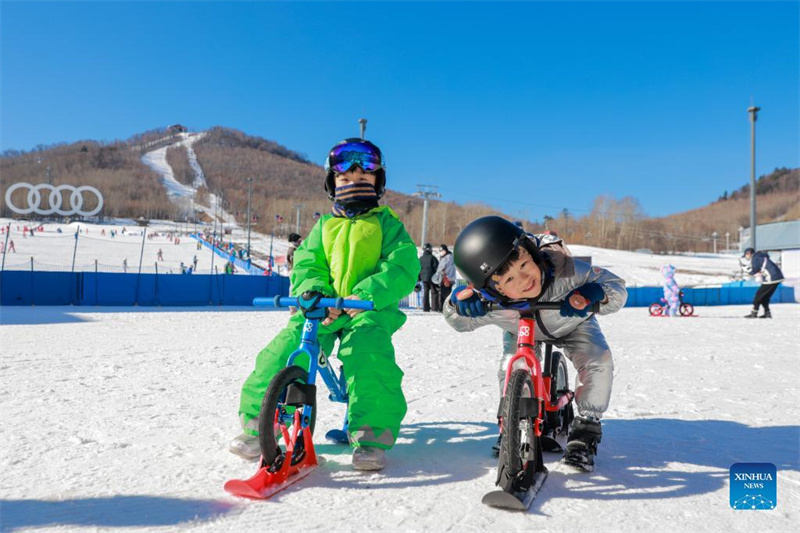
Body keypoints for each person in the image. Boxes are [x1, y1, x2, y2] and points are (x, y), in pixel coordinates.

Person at [230, 137, 420, 471]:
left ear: (379, 184)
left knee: (369, 358)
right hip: (325, 308)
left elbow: (402, 267)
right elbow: (307, 263)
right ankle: (259, 425)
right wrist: (313, 291)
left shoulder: (388, 225)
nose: (353, 186)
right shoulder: (324, 227)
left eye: (363, 181)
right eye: (345, 180)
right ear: (332, 184)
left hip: (367, 312)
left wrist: (367, 294)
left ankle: (371, 437)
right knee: (282, 350)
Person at [443, 216, 627, 472]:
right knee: (510, 363)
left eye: (524, 265)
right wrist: (458, 304)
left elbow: (615, 286)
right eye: (508, 281)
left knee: (598, 359)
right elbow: (455, 319)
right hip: (520, 328)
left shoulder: (569, 270)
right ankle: (511, 420)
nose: (524, 280)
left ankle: (586, 428)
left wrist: (595, 293)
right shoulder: (491, 303)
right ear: (493, 291)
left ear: (532, 253)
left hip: (573, 323)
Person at [742, 247, 784, 318]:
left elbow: (755, 270)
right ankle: (767, 313)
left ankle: (754, 313)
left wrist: (747, 270)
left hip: (771, 278)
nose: (746, 257)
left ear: (749, 253)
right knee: (764, 297)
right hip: (776, 277)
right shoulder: (760, 256)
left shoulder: (755, 258)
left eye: (746, 255)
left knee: (758, 296)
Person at [433, 244, 456, 311]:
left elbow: (440, 268)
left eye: (442, 250)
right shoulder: (451, 257)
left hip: (445, 278)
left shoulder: (446, 258)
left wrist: (437, 275)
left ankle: (443, 308)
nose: (441, 252)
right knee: (448, 294)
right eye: (440, 251)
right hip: (451, 278)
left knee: (444, 295)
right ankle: (447, 307)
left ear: (445, 250)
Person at [418, 243, 439, 312]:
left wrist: (418, 278)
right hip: (432, 278)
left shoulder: (420, 259)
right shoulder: (433, 258)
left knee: (426, 293)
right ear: (430, 249)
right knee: (434, 292)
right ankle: (434, 307)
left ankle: (425, 308)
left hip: (424, 279)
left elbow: (418, 269)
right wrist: (438, 277)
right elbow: (437, 268)